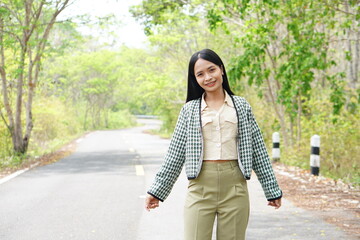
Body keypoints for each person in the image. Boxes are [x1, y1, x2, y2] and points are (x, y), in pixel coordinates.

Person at [144, 49, 282, 240]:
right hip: (200, 189)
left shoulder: (241, 106)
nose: (208, 77)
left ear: (222, 70)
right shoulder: (189, 110)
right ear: (195, 79)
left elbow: (258, 150)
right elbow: (175, 155)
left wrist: (272, 189)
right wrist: (157, 191)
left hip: (235, 188)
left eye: (211, 70)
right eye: (200, 74)